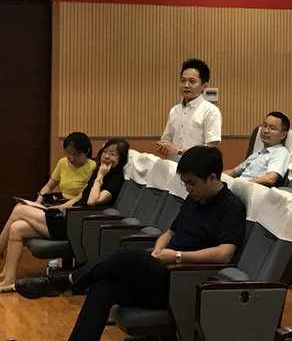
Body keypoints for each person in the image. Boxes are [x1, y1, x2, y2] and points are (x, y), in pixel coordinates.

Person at [16, 146, 246, 341]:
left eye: (192, 184)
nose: (188, 189)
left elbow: (224, 254)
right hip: (163, 268)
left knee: (131, 255)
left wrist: (176, 256)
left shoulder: (231, 208)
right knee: (103, 287)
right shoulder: (194, 199)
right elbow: (169, 232)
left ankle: (63, 281)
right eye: (185, 183)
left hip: (183, 282)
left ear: (212, 178)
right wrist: (160, 249)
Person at [0, 139, 129, 293]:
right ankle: (8, 278)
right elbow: (80, 197)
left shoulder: (115, 180)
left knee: (19, 209)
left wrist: (100, 177)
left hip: (78, 225)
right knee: (17, 228)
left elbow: (92, 201)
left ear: (121, 159)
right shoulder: (98, 172)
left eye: (112, 154)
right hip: (68, 216)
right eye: (105, 152)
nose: (106, 156)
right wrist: (60, 207)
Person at [157, 58, 221, 160]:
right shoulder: (174, 110)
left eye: (192, 81)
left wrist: (179, 150)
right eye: (183, 81)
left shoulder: (211, 111)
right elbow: (167, 139)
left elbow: (211, 147)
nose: (186, 85)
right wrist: (164, 146)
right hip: (175, 166)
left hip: (199, 167)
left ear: (204, 86)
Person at [223, 111, 291, 186]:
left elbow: (271, 178)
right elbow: (233, 172)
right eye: (264, 126)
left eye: (272, 128)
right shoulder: (257, 154)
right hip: (238, 185)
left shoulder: (280, 152)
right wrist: (217, 177)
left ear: (283, 135)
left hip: (249, 188)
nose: (265, 131)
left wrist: (242, 184)